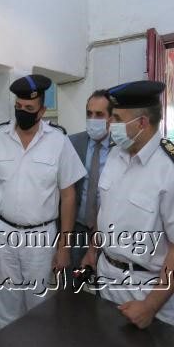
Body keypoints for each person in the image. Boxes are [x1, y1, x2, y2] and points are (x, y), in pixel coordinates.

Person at [82, 80, 174, 328]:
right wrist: (93, 249)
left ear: (142, 122)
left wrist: (151, 305)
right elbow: (107, 210)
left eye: (116, 118)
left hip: (148, 288)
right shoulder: (116, 154)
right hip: (107, 276)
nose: (109, 124)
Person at [0, 74, 86, 329]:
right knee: (6, 307)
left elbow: (68, 195)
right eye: (18, 107)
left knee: (40, 309)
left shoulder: (58, 141)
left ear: (42, 110)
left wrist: (64, 246)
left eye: (29, 108)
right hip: (4, 234)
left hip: (41, 238)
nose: (22, 113)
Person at [69, 90, 114, 271]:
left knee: (103, 282)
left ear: (111, 118)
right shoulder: (72, 143)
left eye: (99, 114)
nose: (93, 119)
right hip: (77, 227)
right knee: (72, 278)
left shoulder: (121, 148)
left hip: (108, 230)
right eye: (89, 114)